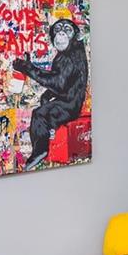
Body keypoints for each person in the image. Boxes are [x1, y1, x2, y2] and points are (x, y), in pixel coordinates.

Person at [11, 18, 88, 170]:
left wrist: (29, 69)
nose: (61, 33)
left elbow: (57, 83)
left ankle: (40, 152)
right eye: (58, 29)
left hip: (70, 104)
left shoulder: (71, 55)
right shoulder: (67, 53)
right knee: (45, 98)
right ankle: (50, 128)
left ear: (75, 35)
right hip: (67, 97)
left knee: (39, 115)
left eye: (67, 30)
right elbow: (62, 82)